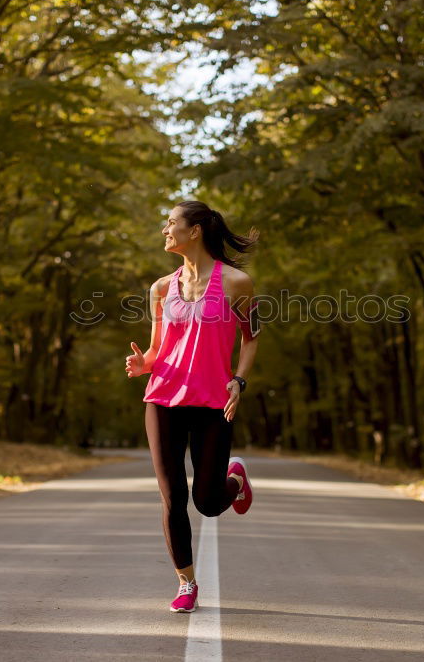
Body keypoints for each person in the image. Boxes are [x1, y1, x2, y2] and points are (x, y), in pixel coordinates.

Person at [125, 200, 261, 613]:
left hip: (212, 402)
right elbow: (155, 350)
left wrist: (239, 380)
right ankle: (186, 583)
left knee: (206, 501)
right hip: (163, 397)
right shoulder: (161, 288)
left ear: (195, 230)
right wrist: (142, 364)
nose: (165, 230)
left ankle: (234, 480)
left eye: (171, 223)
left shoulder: (238, 283)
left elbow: (251, 337)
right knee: (173, 497)